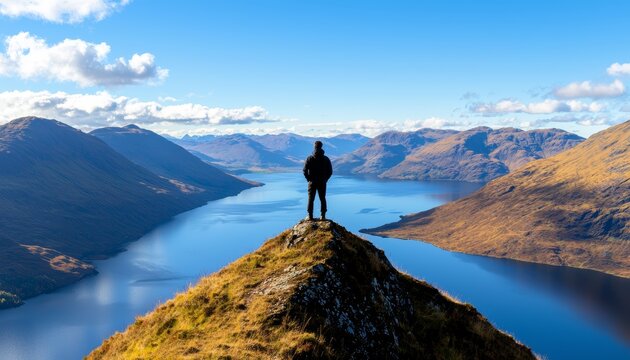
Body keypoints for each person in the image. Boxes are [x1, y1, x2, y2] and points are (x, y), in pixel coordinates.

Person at [303, 140, 333, 220]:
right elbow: (330, 172)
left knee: (311, 199)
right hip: (322, 182)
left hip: (312, 182)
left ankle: (310, 216)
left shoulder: (309, 158)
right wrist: (325, 179)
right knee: (322, 198)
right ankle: (323, 216)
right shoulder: (326, 159)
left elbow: (304, 170)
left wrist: (308, 179)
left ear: (314, 147)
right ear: (321, 146)